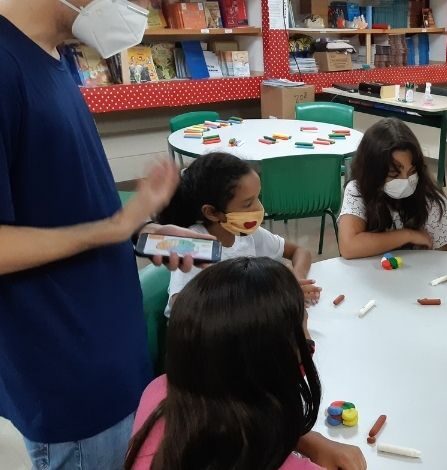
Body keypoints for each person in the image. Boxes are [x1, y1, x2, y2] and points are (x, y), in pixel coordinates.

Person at [0, 0, 208, 467]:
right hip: (70, 375)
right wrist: (111, 227)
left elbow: (57, 203)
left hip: (110, 353)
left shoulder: (52, 59)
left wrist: (140, 230)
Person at [124, 257, 366, 470]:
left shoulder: (159, 391)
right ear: (274, 367)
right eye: (304, 339)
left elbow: (231, 414)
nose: (308, 346)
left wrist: (306, 440)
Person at [157, 152, 320, 309]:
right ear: (212, 213)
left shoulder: (245, 233)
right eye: (248, 204)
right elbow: (182, 307)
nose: (259, 208)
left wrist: (297, 279)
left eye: (258, 197)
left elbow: (300, 251)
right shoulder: (193, 245)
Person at [338, 118, 447, 259]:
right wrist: (408, 235)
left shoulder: (430, 198)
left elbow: (443, 260)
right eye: (394, 174)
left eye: (412, 171)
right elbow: (349, 247)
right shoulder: (357, 190)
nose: (405, 180)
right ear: (373, 173)